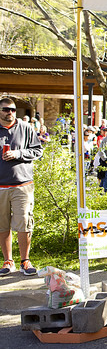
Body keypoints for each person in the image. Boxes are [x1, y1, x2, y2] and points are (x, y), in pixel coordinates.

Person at [0, 98, 43, 277]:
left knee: (24, 223)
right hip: (0, 186)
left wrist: (18, 153)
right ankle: (7, 261)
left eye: (12, 109)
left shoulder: (26, 128)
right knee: (2, 225)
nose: (9, 112)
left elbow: (37, 151)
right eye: (5, 109)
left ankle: (25, 260)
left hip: (22, 184)